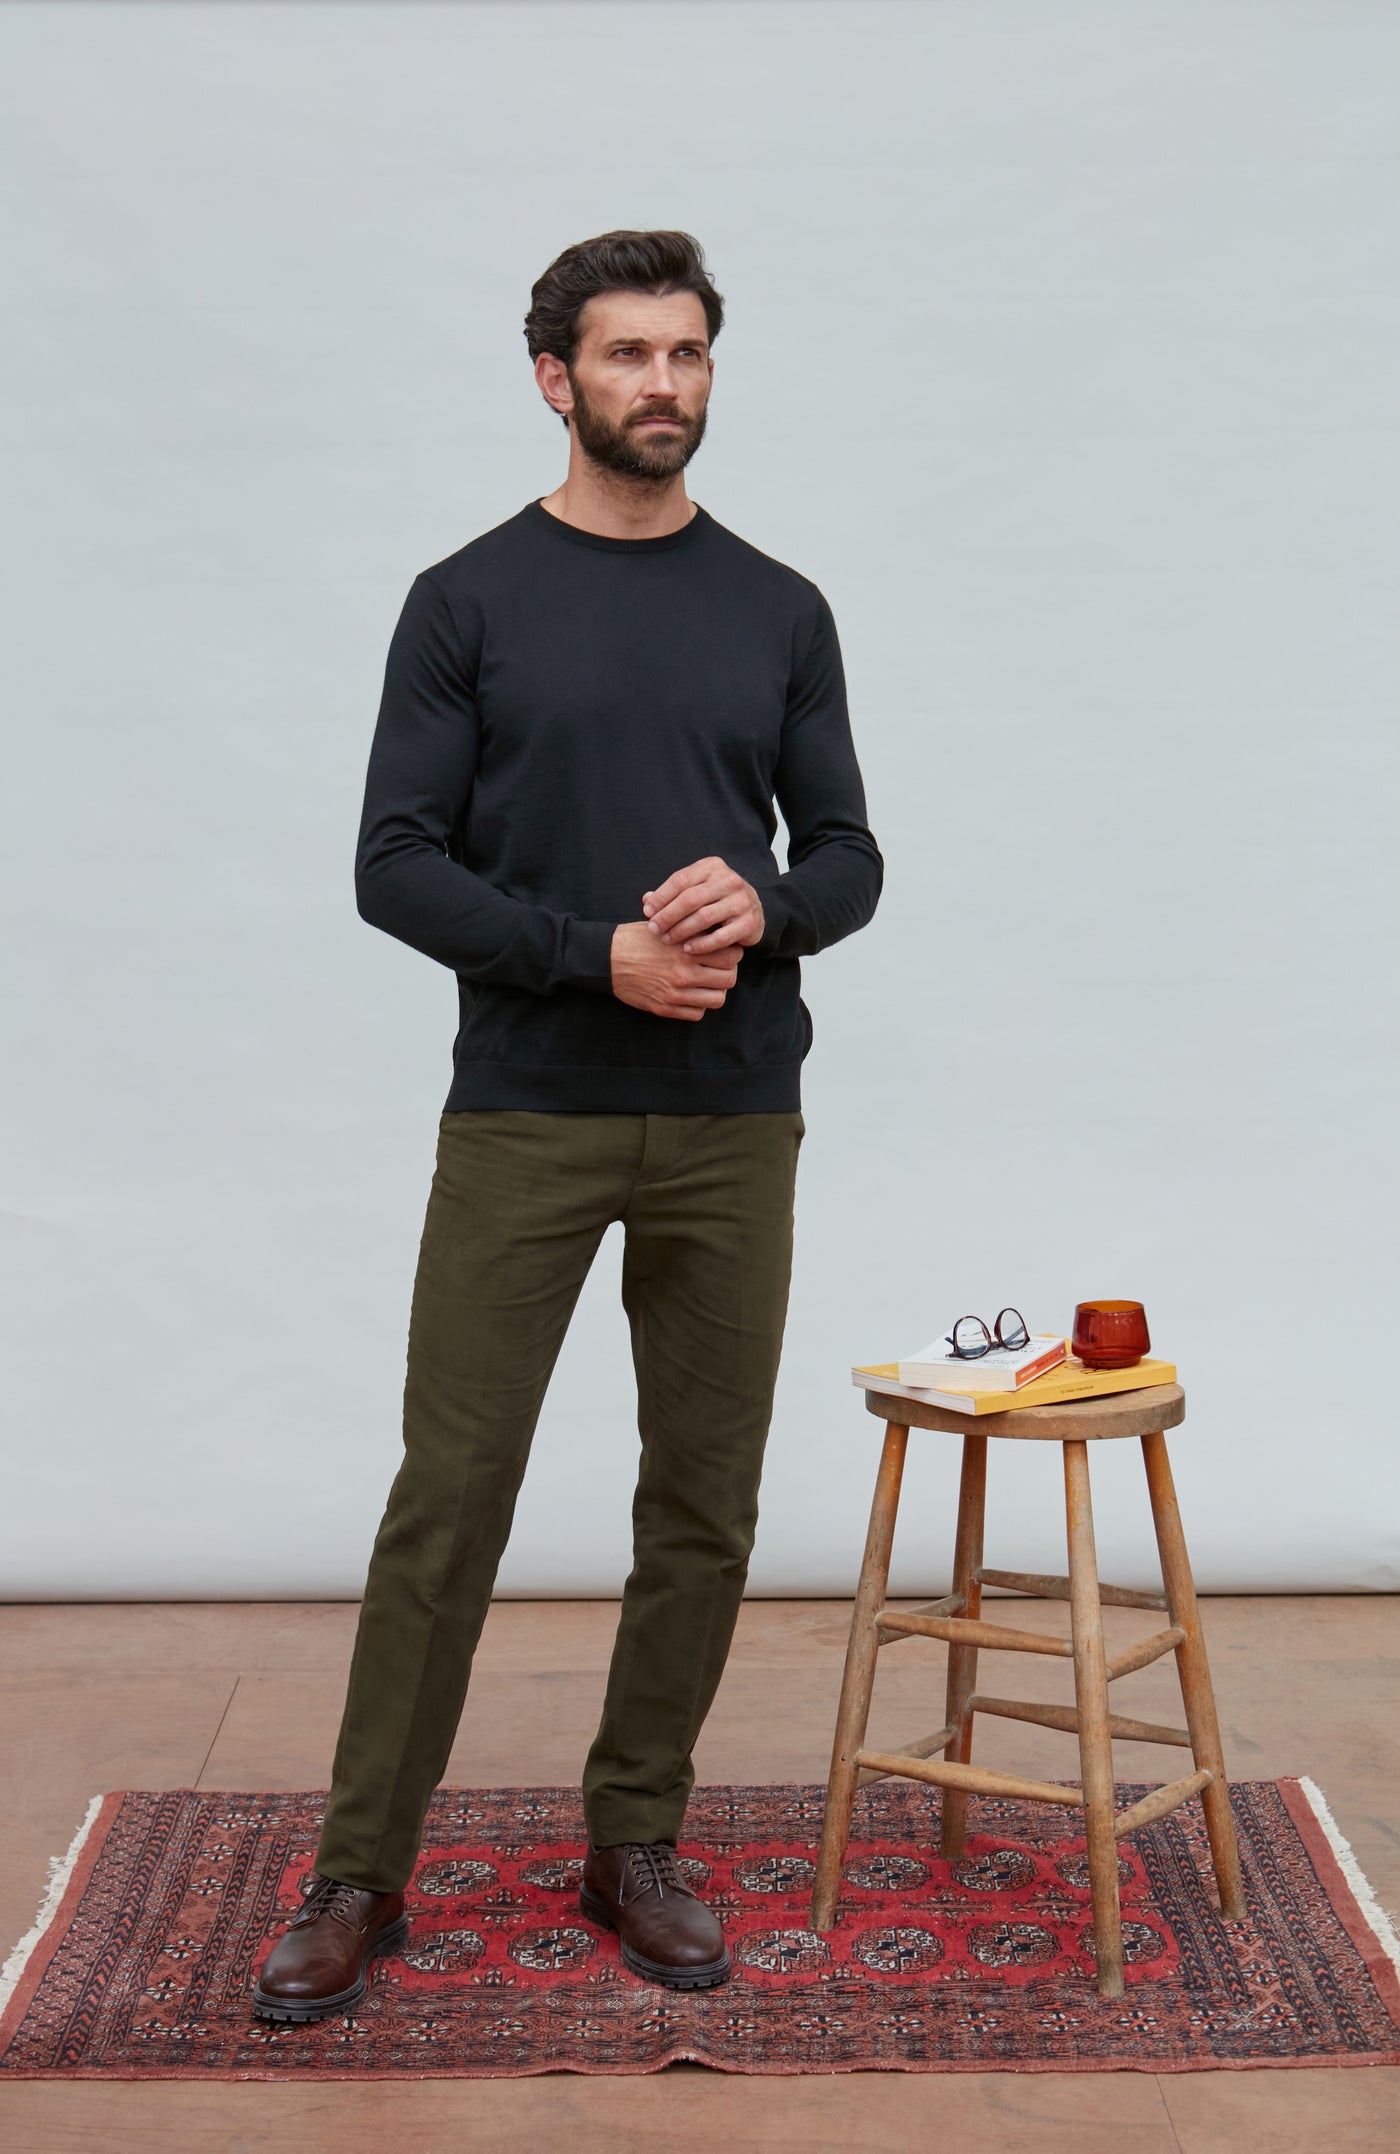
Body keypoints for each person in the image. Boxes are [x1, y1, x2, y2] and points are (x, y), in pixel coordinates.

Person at [252, 229, 883, 2022]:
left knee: (705, 1497)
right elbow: (392, 866)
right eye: (628, 356)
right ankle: (362, 1869)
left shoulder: (781, 606)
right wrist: (594, 958)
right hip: (525, 1114)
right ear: (557, 377)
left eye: (687, 354)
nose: (663, 385)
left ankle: (638, 1835)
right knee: (446, 1500)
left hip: (732, 1121)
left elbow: (849, 855)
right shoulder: (465, 599)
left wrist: (762, 905)